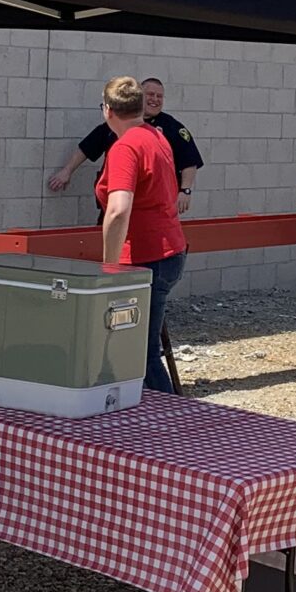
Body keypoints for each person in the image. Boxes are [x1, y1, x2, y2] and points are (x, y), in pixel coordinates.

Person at [94, 75, 188, 394]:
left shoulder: (125, 147)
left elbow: (119, 210)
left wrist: (109, 268)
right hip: (167, 250)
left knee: (138, 355)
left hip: (145, 258)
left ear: (108, 110)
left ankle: (169, 424)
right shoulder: (156, 136)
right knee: (136, 349)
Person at [48, 75, 202, 215]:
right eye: (150, 95)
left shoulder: (172, 127)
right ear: (139, 97)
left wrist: (185, 190)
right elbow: (88, 147)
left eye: (159, 96)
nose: (155, 99)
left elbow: (189, 160)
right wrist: (67, 171)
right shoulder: (120, 122)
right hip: (114, 204)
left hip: (152, 208)